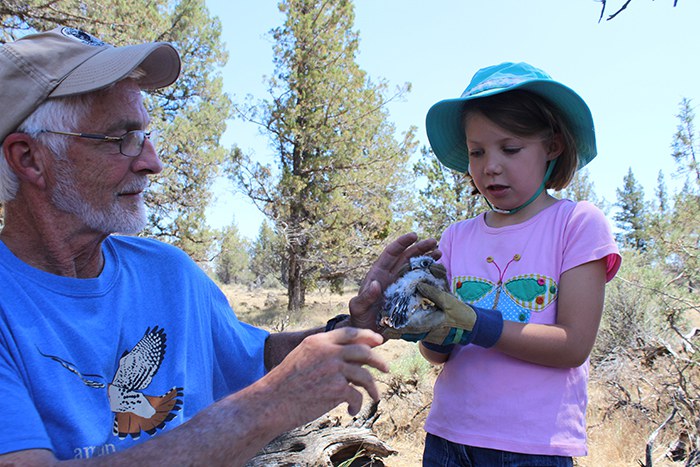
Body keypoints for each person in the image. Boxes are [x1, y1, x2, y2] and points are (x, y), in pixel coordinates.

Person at [0, 27, 438, 465]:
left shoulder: (167, 274)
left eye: (147, 136)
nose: (153, 162)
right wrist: (267, 406)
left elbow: (256, 358)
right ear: (28, 158)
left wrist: (360, 324)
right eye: (121, 138)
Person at [410, 62, 622, 466]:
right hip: (448, 439)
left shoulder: (576, 224)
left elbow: (573, 345)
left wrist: (476, 323)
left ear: (553, 147)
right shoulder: (457, 236)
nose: (490, 165)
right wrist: (426, 328)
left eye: (510, 148)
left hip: (533, 448)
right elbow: (439, 356)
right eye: (477, 151)